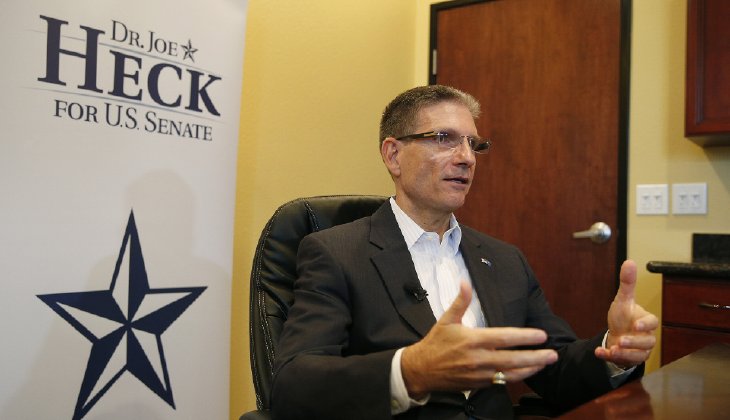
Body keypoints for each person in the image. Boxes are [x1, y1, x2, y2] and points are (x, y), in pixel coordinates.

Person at [271, 85, 657, 420]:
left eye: (474, 144)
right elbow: (294, 386)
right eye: (444, 138)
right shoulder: (336, 253)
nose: (467, 157)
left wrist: (613, 351)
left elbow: (554, 368)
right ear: (393, 155)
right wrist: (410, 371)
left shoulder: (504, 260)